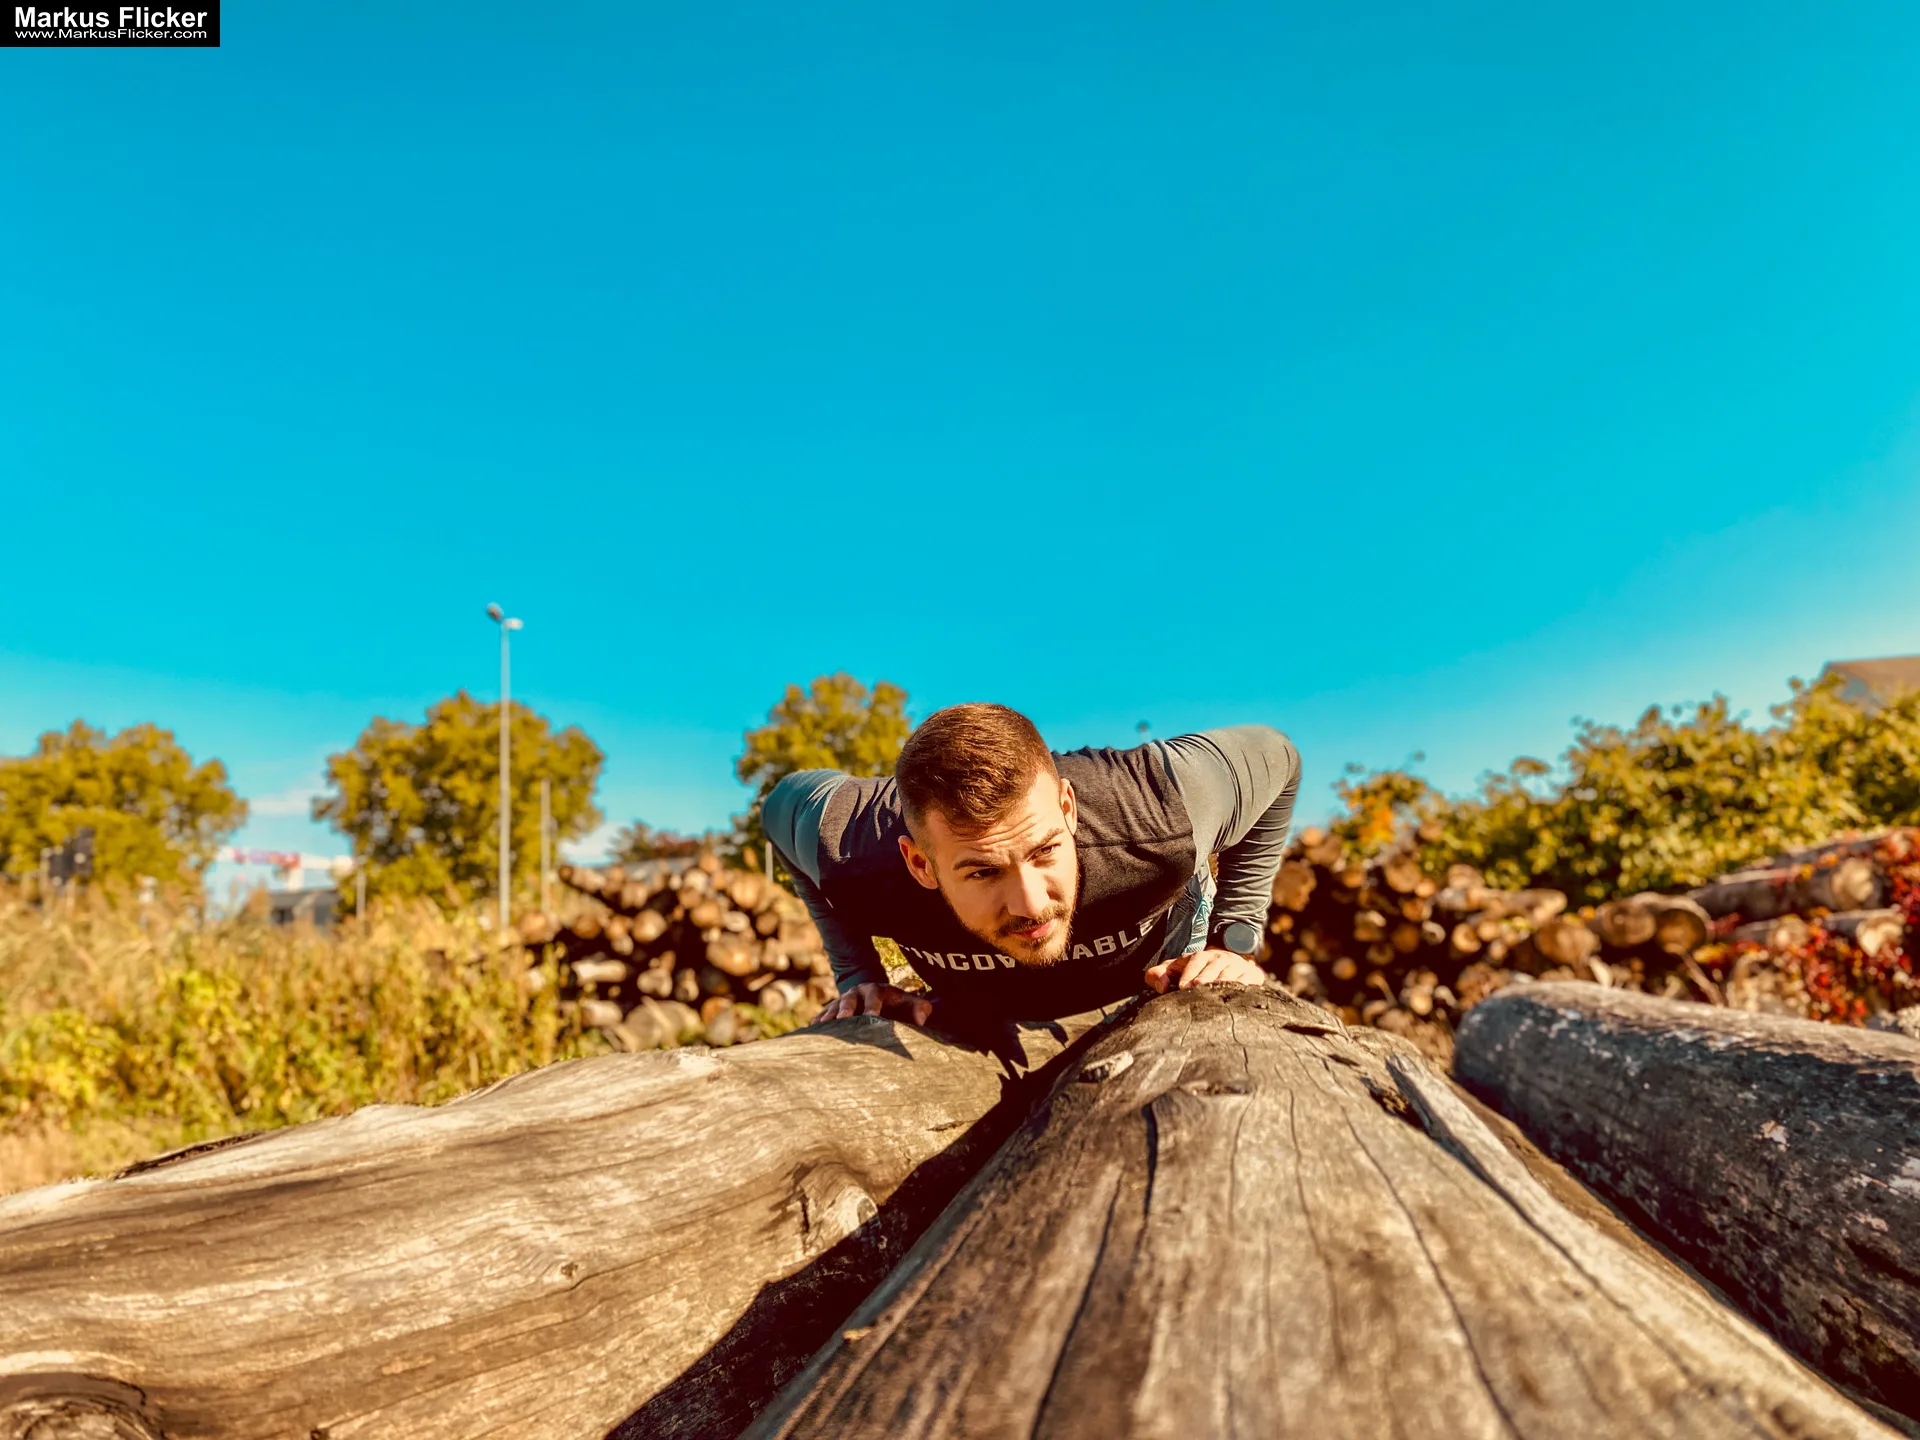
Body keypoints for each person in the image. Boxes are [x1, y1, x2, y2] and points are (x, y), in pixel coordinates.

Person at [762, 702, 1300, 1026]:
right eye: (982, 871)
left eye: (1044, 851)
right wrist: (858, 976)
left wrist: (1233, 941)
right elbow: (778, 806)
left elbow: (1279, 755)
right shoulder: (851, 853)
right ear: (920, 863)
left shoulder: (1155, 811)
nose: (1031, 904)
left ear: (1067, 809)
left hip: (1158, 972)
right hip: (981, 1010)